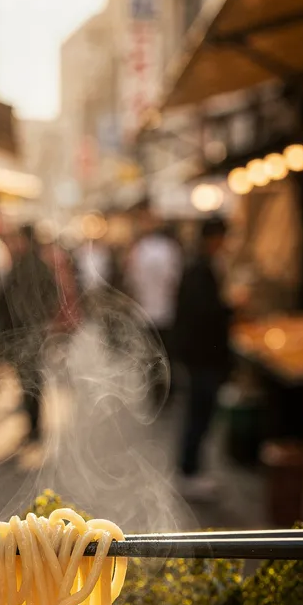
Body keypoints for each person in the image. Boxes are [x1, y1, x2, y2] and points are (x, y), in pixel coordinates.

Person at [173, 216, 231, 500]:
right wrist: (229, 308)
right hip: (203, 357)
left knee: (199, 414)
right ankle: (189, 471)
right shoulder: (199, 269)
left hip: (200, 356)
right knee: (199, 414)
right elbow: (203, 315)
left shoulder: (198, 266)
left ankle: (191, 469)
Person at [0, 224, 59, 445]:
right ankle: (33, 422)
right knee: (29, 377)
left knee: (31, 378)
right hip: (27, 330)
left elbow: (50, 296)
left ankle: (34, 424)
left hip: (28, 331)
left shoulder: (30, 266)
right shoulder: (26, 264)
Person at [124, 203, 183, 407]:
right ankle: (165, 392)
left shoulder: (138, 250)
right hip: (166, 313)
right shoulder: (170, 249)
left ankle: (155, 391)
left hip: (145, 313)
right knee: (166, 355)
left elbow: (131, 283)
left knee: (150, 357)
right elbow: (175, 282)